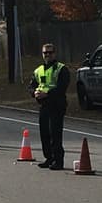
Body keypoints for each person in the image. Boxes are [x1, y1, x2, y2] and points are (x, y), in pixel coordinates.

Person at [31, 41, 70, 169]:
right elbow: (32, 86)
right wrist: (35, 93)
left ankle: (58, 160)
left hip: (57, 105)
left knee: (55, 133)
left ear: (55, 53)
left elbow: (61, 87)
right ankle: (49, 158)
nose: (47, 55)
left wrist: (46, 94)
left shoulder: (61, 69)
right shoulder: (38, 70)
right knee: (44, 133)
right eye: (45, 53)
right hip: (44, 105)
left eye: (50, 52)